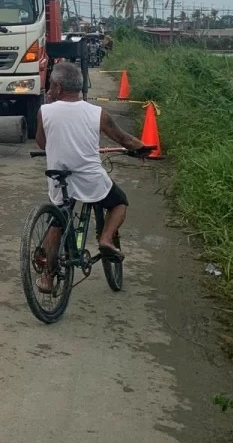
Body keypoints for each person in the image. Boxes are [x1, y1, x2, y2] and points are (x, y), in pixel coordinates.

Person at [34, 61, 150, 293]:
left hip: (60, 179)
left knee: (58, 221)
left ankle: (47, 278)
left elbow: (42, 143)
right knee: (119, 202)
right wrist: (142, 147)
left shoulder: (44, 111)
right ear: (78, 87)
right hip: (90, 178)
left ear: (56, 87)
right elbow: (125, 140)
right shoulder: (98, 114)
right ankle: (106, 238)